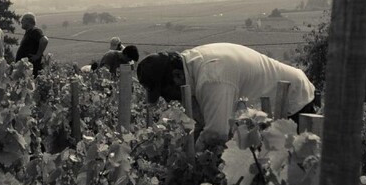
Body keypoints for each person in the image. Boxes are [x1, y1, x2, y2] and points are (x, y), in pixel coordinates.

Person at [135, 43, 318, 145]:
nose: (167, 99)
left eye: (165, 92)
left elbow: (217, 133)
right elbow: (203, 122)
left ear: (176, 76)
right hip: (265, 105)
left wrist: (193, 159)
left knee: (289, 168)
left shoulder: (211, 77)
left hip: (292, 100)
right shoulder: (189, 66)